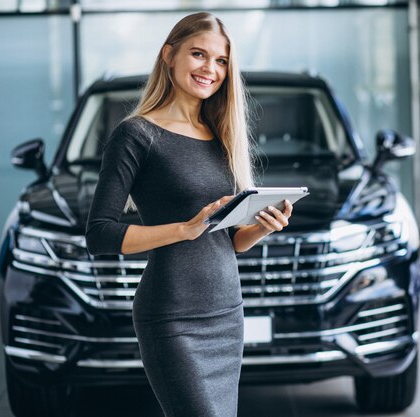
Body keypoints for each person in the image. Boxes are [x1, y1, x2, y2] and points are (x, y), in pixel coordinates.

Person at [85, 12, 293, 417]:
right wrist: (185, 228)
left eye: (220, 61)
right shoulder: (136, 135)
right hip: (172, 317)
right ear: (169, 55)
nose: (209, 69)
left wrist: (258, 229)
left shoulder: (221, 134)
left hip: (227, 311)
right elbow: (99, 234)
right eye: (198, 54)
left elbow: (225, 239)